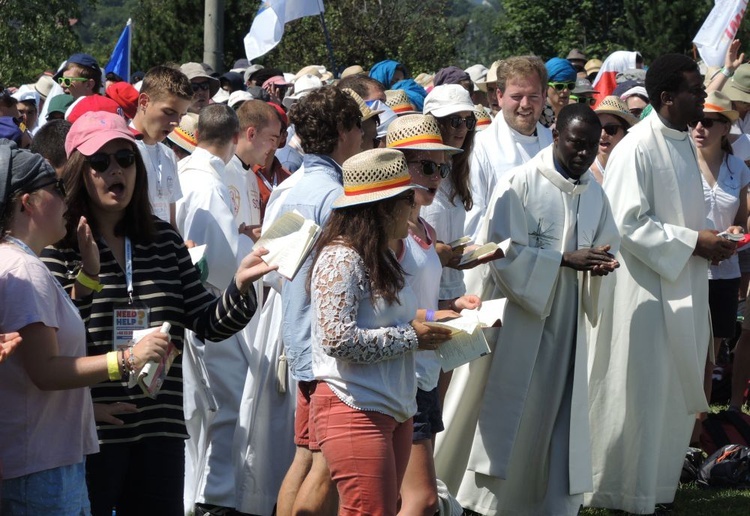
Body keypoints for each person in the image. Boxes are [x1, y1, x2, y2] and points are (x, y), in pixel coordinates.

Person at [40, 111, 275, 515]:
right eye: (101, 163)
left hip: (160, 430)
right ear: (80, 172)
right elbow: (51, 343)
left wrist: (240, 286)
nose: (116, 171)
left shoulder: (163, 240)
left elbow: (207, 322)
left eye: (125, 159)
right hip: (90, 433)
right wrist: (81, 409)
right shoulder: (58, 246)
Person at [445, 104, 619, 515]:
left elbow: (609, 239)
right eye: (577, 143)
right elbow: (502, 253)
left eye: (592, 146)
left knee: (555, 411)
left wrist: (603, 263)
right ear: (556, 133)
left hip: (567, 318)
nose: (584, 154)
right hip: (518, 319)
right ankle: (482, 498)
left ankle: (547, 500)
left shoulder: (593, 191)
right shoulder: (521, 182)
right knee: (505, 409)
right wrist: (562, 261)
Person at [586, 54, 737, 514]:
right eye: (696, 89)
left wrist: (713, 240)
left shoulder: (680, 143)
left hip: (680, 284)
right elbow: (628, 223)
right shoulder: (637, 148)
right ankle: (626, 492)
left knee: (669, 392)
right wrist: (696, 242)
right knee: (640, 391)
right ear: (668, 97)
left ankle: (657, 489)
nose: (704, 98)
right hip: (644, 292)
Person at [0, 139, 168, 513]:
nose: (66, 199)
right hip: (40, 467)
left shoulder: (19, 264)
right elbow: (45, 370)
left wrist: (89, 277)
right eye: (56, 189)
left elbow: (46, 325)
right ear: (27, 202)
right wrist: (126, 360)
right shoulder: (24, 269)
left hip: (39, 459)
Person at [309, 148, 452, 515]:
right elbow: (337, 338)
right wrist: (413, 338)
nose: (413, 209)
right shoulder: (341, 258)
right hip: (354, 406)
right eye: (408, 199)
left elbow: (392, 316)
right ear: (383, 206)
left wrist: (440, 316)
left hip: (392, 406)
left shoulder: (381, 254)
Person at [385, 113, 481, 515]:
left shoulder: (423, 227)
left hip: (422, 371)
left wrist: (452, 307)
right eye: (426, 166)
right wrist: (437, 316)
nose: (438, 176)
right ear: (397, 166)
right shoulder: (390, 232)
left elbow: (415, 302)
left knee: (402, 495)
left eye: (442, 166)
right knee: (421, 499)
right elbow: (387, 312)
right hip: (396, 374)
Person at [274, 86, 363, 516]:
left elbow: (275, 269)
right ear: (344, 131)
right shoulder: (335, 196)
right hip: (326, 347)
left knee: (306, 455)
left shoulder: (289, 189)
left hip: (300, 336)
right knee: (325, 463)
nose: (364, 138)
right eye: (359, 128)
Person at [176, 104, 255, 515]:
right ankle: (216, 495)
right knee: (225, 403)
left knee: (201, 409)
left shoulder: (188, 171)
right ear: (234, 135)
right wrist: (251, 248)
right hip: (211, 306)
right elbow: (220, 260)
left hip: (193, 305)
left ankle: (200, 495)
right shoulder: (208, 184)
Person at [691, 92, 750, 415]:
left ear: (726, 128)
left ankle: (699, 431)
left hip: (725, 273)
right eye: (695, 120)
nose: (699, 127)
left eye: (709, 121)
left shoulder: (738, 168)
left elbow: (741, 222)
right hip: (686, 268)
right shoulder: (680, 164)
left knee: (710, 358)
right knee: (685, 352)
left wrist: (736, 235)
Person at [464, 56, 553, 241]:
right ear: (499, 96)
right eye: (517, 97)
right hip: (501, 261)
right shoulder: (481, 148)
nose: (525, 104)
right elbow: (474, 221)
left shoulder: (555, 144)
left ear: (544, 96)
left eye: (534, 96)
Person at [131, 65, 194, 226]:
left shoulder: (168, 155)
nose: (176, 122)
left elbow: (171, 221)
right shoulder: (123, 149)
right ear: (144, 102)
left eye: (181, 115)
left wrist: (181, 247)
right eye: (169, 112)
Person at [589, 96, 639, 183]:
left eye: (611, 129)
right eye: (598, 128)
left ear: (626, 132)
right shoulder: (585, 174)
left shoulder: (637, 169)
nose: (603, 135)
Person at [541, 57, 578, 128]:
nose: (565, 91)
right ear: (546, 86)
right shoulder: (535, 118)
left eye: (570, 86)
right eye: (559, 86)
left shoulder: (574, 117)